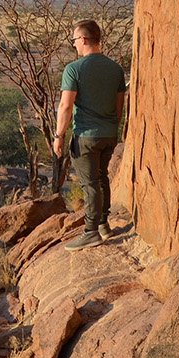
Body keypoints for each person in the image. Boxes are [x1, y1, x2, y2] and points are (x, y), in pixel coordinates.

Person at [55, 19, 126, 251]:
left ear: (84, 40)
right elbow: (119, 105)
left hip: (85, 135)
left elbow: (66, 106)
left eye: (74, 40)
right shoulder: (115, 69)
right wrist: (111, 126)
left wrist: (59, 136)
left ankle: (91, 231)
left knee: (90, 184)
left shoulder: (74, 69)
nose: (74, 44)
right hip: (109, 134)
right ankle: (104, 224)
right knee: (102, 176)